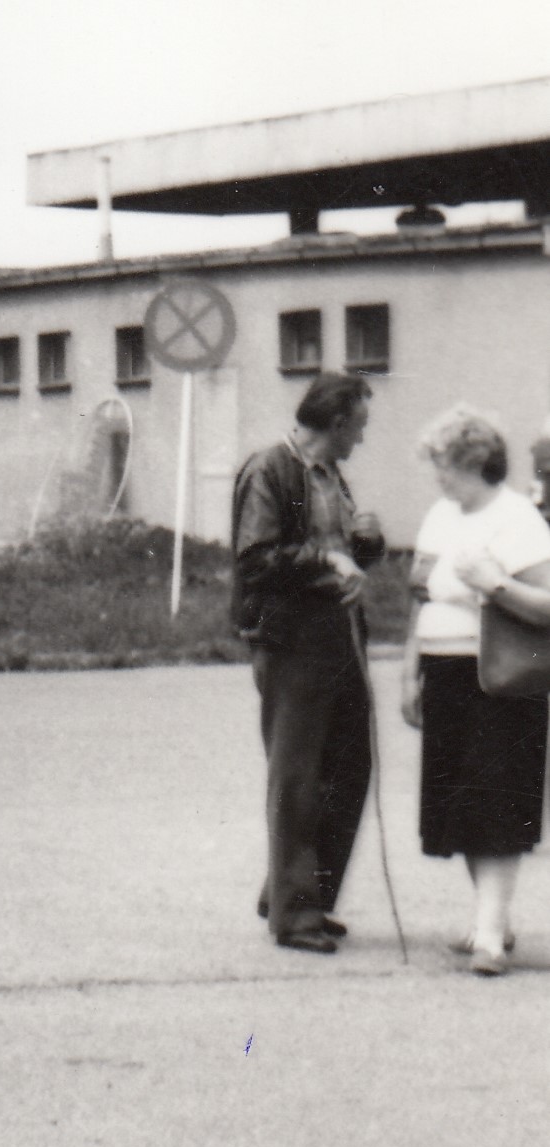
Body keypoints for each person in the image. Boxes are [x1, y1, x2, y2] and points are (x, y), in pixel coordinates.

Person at [232, 371, 389, 953]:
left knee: (349, 766)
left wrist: (365, 544)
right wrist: (328, 559)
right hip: (291, 640)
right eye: (360, 426)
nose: (362, 438)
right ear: (337, 423)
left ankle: (300, 895)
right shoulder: (270, 469)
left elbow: (341, 556)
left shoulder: (329, 474)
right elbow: (256, 559)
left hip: (339, 636)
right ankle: (295, 915)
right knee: (298, 775)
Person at [399, 407, 550, 976]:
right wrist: (409, 670)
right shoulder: (440, 516)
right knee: (462, 806)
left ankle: (488, 935)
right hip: (444, 673)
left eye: (444, 464)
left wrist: (497, 584)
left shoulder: (518, 518)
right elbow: (421, 598)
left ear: (476, 461)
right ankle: (495, 921)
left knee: (495, 804)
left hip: (501, 679)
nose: (437, 476)